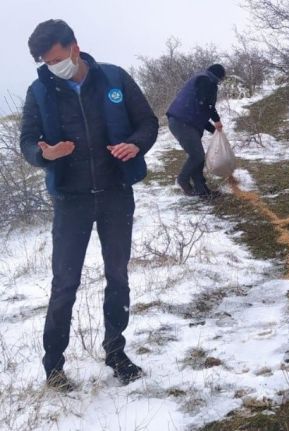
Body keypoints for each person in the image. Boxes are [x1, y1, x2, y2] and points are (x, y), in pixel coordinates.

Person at [19, 19, 158, 391]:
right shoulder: (40, 91)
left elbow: (147, 122)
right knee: (64, 283)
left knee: (118, 276)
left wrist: (136, 145)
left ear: (74, 48)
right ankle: (54, 368)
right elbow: (27, 142)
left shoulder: (114, 79)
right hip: (71, 200)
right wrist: (44, 153)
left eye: (57, 59)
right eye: (46, 63)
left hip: (115, 193)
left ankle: (116, 352)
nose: (53, 68)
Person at [166, 63, 226, 197]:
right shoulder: (207, 80)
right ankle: (183, 180)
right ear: (219, 76)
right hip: (182, 122)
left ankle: (202, 190)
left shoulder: (201, 79)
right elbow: (205, 104)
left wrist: (213, 130)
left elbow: (199, 109)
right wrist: (216, 120)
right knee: (197, 155)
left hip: (183, 121)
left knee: (197, 156)